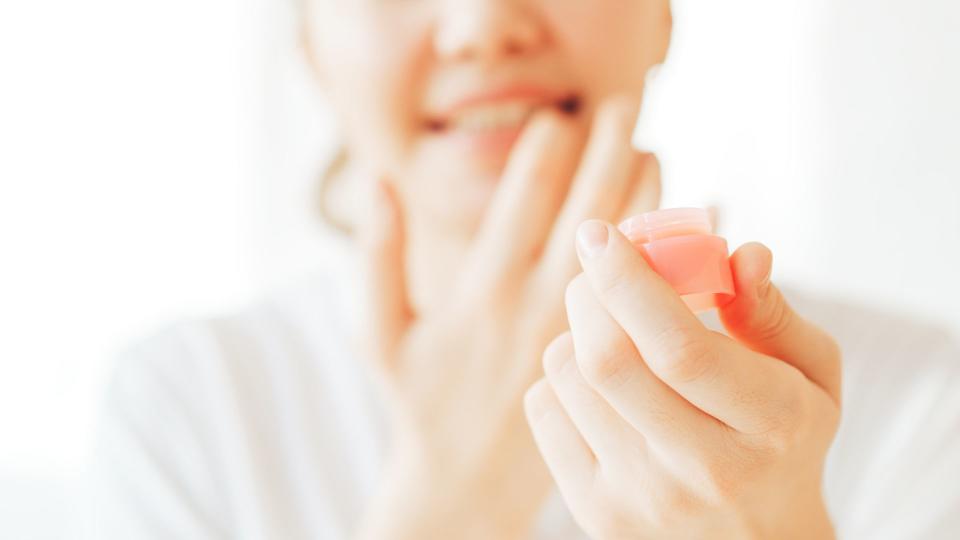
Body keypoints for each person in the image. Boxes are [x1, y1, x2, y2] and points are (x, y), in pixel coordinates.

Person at [93, 1, 960, 538]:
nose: (482, 24)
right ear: (312, 48)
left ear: (663, 13)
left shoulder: (923, 404)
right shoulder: (185, 406)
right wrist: (454, 492)